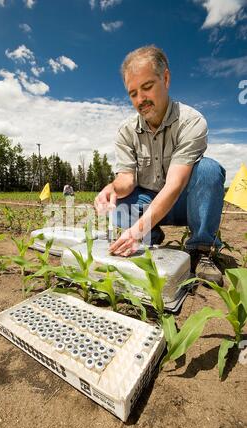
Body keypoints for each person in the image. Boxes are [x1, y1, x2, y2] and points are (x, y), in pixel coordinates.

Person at [94, 45, 226, 286]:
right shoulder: (126, 131)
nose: (140, 99)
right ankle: (150, 239)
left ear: (165, 79)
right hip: (147, 201)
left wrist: (135, 229)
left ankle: (202, 249)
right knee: (121, 202)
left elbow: (175, 184)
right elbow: (127, 180)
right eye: (133, 93)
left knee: (208, 170)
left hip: (185, 203)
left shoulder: (191, 121)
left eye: (147, 87)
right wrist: (112, 188)